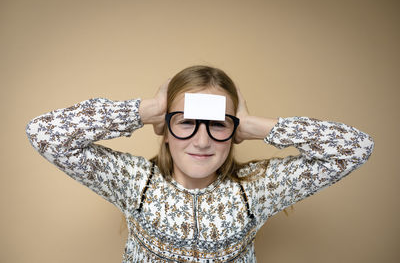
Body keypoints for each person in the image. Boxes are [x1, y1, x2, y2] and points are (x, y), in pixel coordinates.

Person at [26, 65, 374, 262]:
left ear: (234, 130)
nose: (202, 140)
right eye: (186, 122)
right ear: (164, 129)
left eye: (219, 124)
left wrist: (256, 127)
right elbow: (44, 134)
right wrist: (147, 110)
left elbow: (356, 148)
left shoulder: (259, 187)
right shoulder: (134, 181)